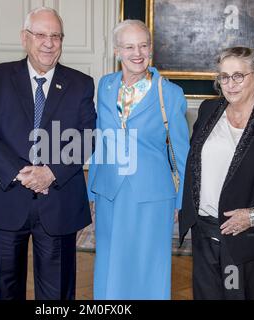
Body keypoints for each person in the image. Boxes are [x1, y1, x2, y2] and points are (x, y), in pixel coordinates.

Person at [0, 7, 96, 300]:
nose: (48, 43)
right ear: (24, 38)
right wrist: (20, 172)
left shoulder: (80, 83)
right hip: (5, 198)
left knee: (57, 294)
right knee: (4, 289)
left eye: (55, 36)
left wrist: (50, 172)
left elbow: (87, 136)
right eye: (40, 35)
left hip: (58, 202)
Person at [179, 46, 254, 300]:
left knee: (238, 295)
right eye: (224, 77)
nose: (230, 84)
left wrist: (252, 216)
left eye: (238, 75)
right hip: (205, 233)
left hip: (246, 241)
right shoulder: (207, 111)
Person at [87, 20, 190, 299]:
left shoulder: (169, 93)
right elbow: (101, 139)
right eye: (129, 46)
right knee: (110, 264)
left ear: (151, 49)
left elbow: (182, 151)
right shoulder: (105, 86)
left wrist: (182, 201)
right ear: (117, 51)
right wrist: (92, 191)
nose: (138, 53)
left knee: (149, 267)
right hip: (109, 192)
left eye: (143, 45)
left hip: (152, 197)